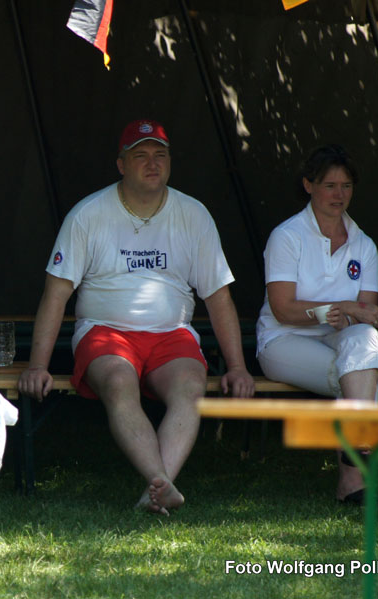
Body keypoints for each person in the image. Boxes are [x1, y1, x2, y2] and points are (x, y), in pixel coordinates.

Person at [18, 120, 255, 515]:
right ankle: (162, 482)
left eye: (160, 155)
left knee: (190, 389)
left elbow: (218, 297)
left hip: (172, 333)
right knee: (118, 383)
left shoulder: (193, 214)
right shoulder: (88, 214)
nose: (152, 163)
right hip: (105, 331)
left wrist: (237, 367)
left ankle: (156, 487)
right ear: (121, 164)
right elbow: (56, 294)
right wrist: (38, 365)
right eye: (140, 155)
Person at [256, 144, 378, 505]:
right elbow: (283, 309)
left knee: (365, 342)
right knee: (359, 372)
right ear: (308, 185)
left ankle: (354, 465)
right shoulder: (287, 236)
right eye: (329, 185)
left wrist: (352, 314)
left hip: (338, 337)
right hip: (283, 340)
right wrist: (342, 307)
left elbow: (366, 313)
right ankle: (355, 480)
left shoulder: (364, 244)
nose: (338, 194)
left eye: (346, 186)